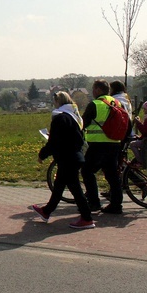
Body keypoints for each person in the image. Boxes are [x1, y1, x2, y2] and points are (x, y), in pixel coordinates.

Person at [30, 92, 95, 229]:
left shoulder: (60, 118)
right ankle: (46, 211)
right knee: (59, 186)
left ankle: (87, 218)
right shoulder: (74, 116)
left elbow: (54, 142)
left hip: (67, 158)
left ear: (58, 101)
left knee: (76, 189)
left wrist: (42, 154)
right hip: (75, 156)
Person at [81, 79, 124, 214]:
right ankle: (116, 205)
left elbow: (83, 123)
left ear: (98, 90)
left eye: (94, 89)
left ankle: (94, 202)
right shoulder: (117, 103)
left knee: (87, 171)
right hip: (115, 143)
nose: (93, 92)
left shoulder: (95, 104)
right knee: (112, 174)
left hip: (98, 144)